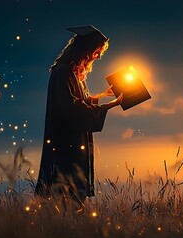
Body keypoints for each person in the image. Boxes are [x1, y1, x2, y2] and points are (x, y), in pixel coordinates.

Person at [34, 25, 123, 205]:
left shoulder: (71, 72)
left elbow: (75, 102)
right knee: (67, 198)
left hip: (72, 143)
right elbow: (72, 108)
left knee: (74, 199)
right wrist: (110, 105)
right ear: (86, 50)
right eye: (96, 51)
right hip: (66, 146)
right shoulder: (63, 72)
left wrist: (100, 97)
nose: (98, 57)